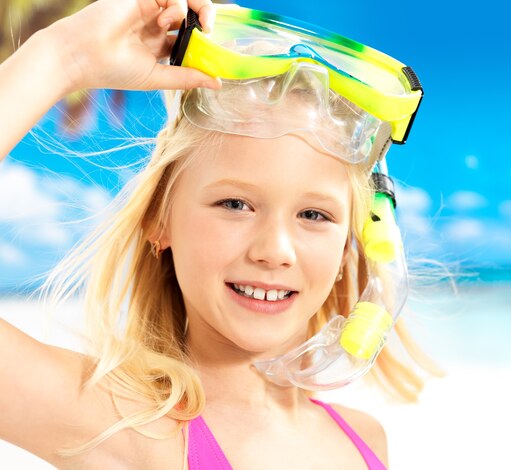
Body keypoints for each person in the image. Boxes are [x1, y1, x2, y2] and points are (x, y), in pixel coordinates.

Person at [0, 1, 442, 468]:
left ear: (355, 245)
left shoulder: (366, 440)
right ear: (160, 219)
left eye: (313, 215)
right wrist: (64, 56)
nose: (275, 250)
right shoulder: (121, 424)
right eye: (235, 205)